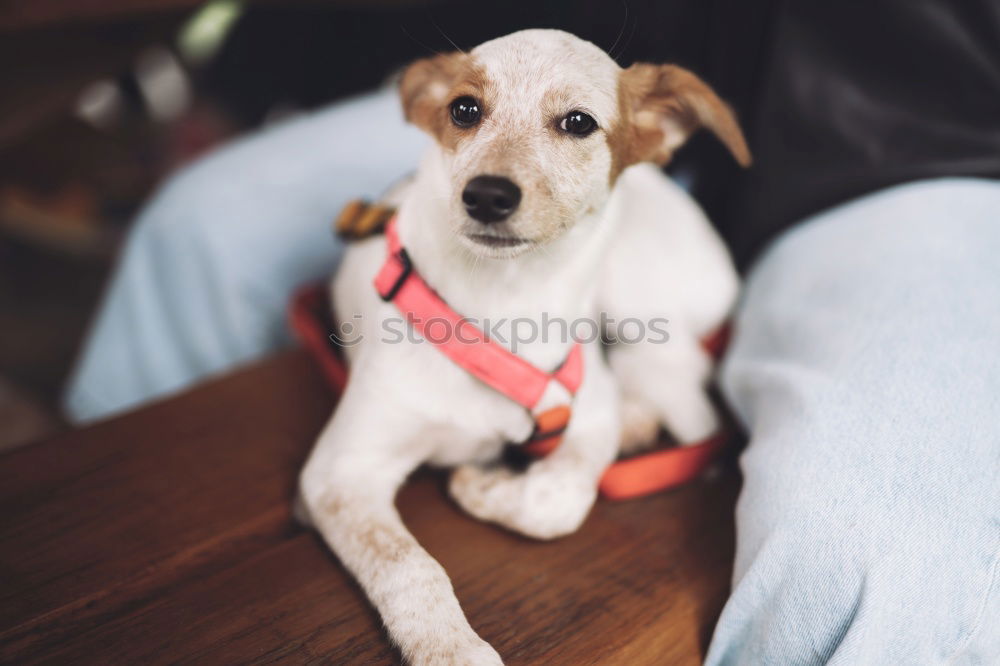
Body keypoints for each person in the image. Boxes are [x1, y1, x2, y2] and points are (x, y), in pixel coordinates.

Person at [64, 2, 999, 663]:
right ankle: (89, 567)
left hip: (896, 143)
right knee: (198, 227)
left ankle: (659, 372)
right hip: (523, 47)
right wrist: (244, 79)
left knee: (878, 553)